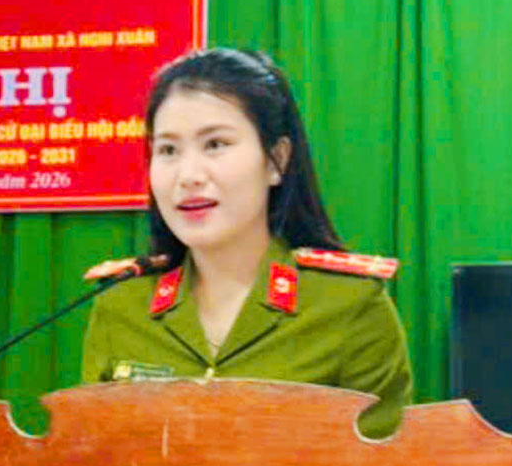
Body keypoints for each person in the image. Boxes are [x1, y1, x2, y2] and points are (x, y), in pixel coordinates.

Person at [80, 48, 413, 439]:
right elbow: (95, 460)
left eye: (215, 144)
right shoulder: (121, 306)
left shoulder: (349, 305)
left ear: (276, 160)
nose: (188, 175)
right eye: (168, 150)